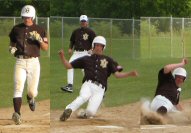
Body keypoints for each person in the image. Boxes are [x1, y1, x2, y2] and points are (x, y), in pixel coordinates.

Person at [58, 36, 138, 121]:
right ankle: (68, 110)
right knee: (84, 96)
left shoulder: (108, 60)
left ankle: (84, 114)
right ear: (93, 46)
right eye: (97, 45)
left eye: (101, 46)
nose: (98, 47)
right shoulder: (86, 59)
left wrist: (130, 74)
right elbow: (68, 66)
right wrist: (62, 56)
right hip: (88, 84)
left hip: (100, 89)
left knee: (91, 112)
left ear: (103, 47)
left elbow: (117, 75)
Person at [9, 5, 48, 125]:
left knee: (32, 91)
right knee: (18, 86)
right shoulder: (16, 29)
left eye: (29, 17)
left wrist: (39, 40)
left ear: (33, 16)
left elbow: (45, 48)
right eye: (25, 17)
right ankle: (17, 114)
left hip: (34, 62)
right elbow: (12, 42)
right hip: (20, 61)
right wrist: (11, 48)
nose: (27, 19)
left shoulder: (40, 29)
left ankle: (31, 98)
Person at [60, 15, 96, 93]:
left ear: (87, 22)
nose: (83, 23)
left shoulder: (91, 32)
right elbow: (72, 41)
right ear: (80, 22)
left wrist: (92, 50)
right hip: (76, 53)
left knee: (85, 70)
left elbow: (95, 43)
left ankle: (89, 86)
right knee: (69, 66)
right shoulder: (76, 31)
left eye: (84, 21)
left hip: (86, 53)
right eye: (82, 21)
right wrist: (70, 48)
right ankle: (70, 86)